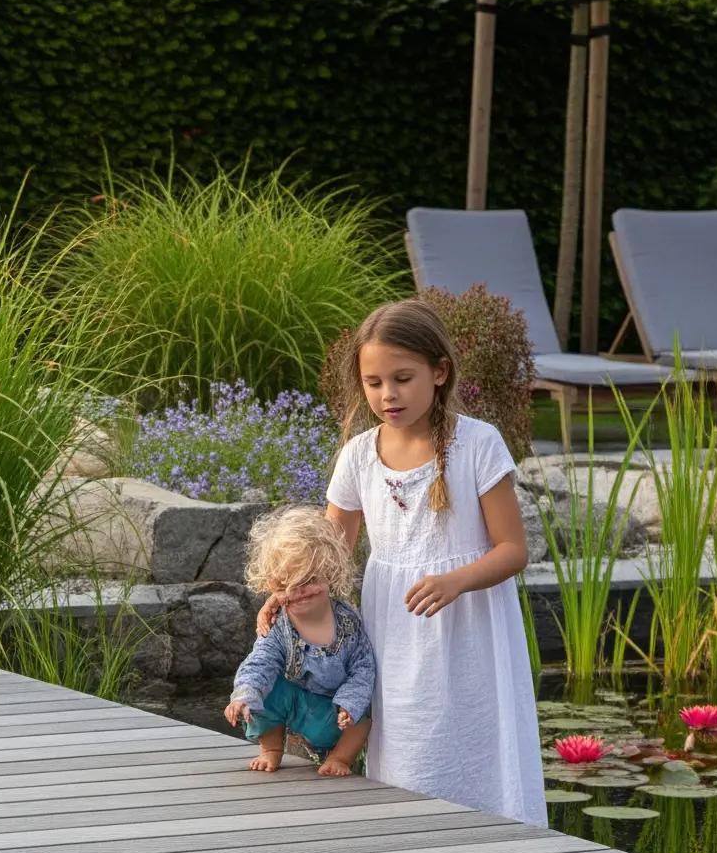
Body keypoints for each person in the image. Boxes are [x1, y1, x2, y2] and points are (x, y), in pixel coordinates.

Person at [322, 299, 545, 826]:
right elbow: (330, 553)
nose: (387, 395)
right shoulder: (358, 454)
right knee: (408, 743)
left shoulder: (478, 444)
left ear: (439, 372)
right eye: (373, 382)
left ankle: (499, 847)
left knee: (477, 739)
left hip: (471, 628)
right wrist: (285, 601)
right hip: (395, 630)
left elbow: (513, 549)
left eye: (402, 378)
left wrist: (456, 580)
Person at [224, 505, 376, 778]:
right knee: (266, 691)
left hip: (335, 712)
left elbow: (363, 668)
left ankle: (340, 757)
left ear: (329, 572)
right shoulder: (279, 626)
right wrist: (244, 694)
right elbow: (260, 662)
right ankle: (271, 748)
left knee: (365, 716)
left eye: (307, 580)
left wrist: (348, 704)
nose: (297, 592)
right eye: (284, 586)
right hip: (293, 704)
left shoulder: (348, 623)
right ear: (270, 587)